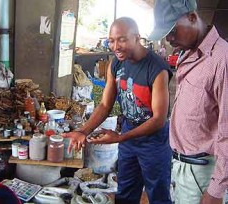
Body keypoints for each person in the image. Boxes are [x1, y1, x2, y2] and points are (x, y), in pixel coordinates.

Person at [63, 17, 172, 204]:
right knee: (126, 192)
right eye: (111, 41)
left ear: (137, 38)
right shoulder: (116, 64)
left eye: (122, 39)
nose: (115, 46)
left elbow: (158, 119)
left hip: (153, 141)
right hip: (130, 132)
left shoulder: (156, 68)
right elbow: (105, 105)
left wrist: (120, 137)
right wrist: (82, 131)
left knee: (158, 195)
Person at [148, 0, 228, 203]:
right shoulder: (189, 53)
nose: (169, 39)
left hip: (203, 174)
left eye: (173, 31)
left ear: (192, 17)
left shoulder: (221, 59)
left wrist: (216, 190)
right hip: (184, 167)